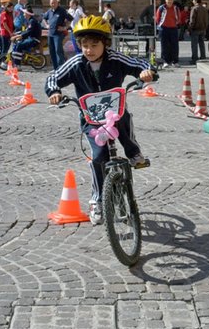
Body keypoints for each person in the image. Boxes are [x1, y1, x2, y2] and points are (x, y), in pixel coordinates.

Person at [45, 15, 156, 225]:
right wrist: (54, 91)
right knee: (98, 157)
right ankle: (97, 199)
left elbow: (139, 63)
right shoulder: (77, 64)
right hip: (91, 118)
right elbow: (53, 77)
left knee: (124, 118)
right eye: (84, 45)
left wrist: (146, 72)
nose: (89, 50)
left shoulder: (116, 59)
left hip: (114, 112)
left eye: (94, 45)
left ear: (105, 43)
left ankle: (134, 153)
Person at [42, 0, 73, 71]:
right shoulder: (49, 11)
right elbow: (43, 18)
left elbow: (70, 18)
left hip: (58, 34)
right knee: (52, 51)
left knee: (58, 51)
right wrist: (46, 25)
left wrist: (65, 27)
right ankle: (55, 68)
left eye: (54, 3)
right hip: (50, 34)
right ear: (50, 4)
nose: (53, 4)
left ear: (57, 3)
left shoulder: (62, 10)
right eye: (51, 3)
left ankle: (61, 68)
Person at [155, 0, 181, 68]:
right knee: (164, 46)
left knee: (174, 46)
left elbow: (179, 18)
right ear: (165, 0)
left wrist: (176, 23)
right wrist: (160, 25)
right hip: (164, 28)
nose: (169, 1)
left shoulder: (176, 8)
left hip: (173, 28)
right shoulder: (161, 8)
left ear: (173, 0)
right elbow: (158, 18)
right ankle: (165, 61)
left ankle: (175, 61)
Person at [188, 0, 209, 65]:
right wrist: (205, 27)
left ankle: (194, 59)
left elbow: (192, 20)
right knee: (201, 44)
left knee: (194, 45)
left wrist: (189, 29)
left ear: (195, 0)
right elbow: (207, 20)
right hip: (203, 29)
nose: (192, 2)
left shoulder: (194, 9)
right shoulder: (205, 9)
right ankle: (203, 57)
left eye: (193, 0)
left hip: (195, 29)